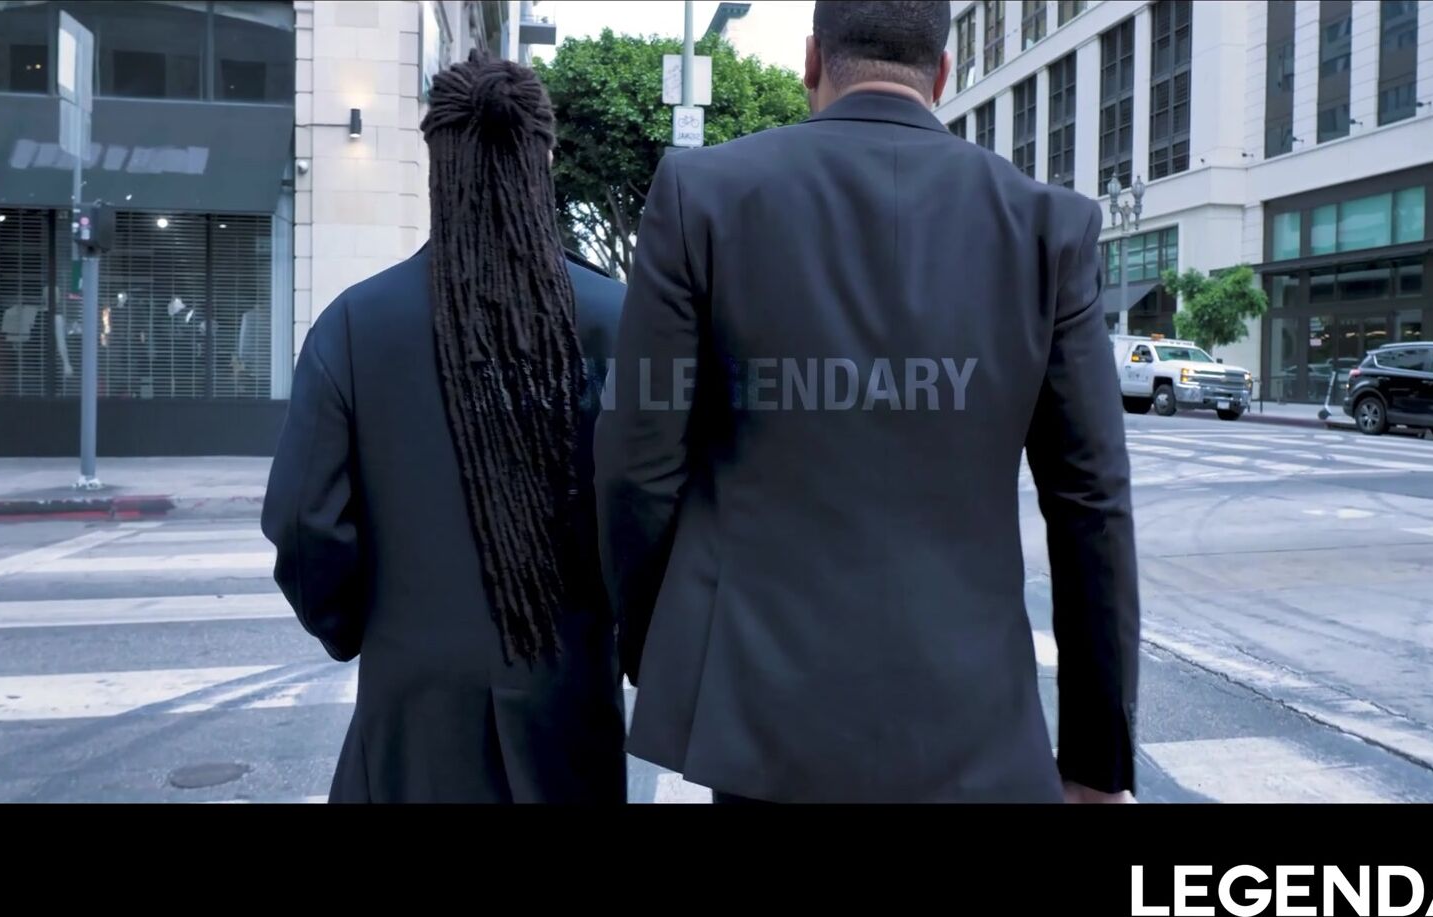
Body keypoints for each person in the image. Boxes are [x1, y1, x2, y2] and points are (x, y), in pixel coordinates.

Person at [595, 1, 1140, 803]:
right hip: (973, 722)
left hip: (761, 714)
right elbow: (1091, 500)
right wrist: (1095, 760)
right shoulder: (1047, 226)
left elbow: (636, 467)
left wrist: (668, 655)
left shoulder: (699, 194)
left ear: (811, 60)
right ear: (942, 73)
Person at [262, 55, 626, 803]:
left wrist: (358, 628)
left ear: (436, 165)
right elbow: (654, 511)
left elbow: (304, 523)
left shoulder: (354, 325)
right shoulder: (616, 321)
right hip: (568, 708)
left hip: (412, 713)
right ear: (545, 160)